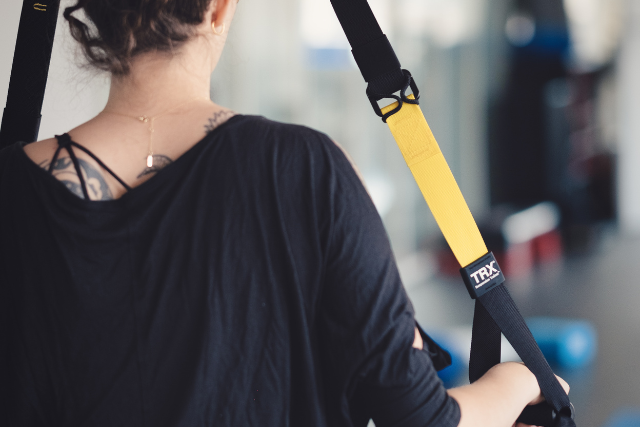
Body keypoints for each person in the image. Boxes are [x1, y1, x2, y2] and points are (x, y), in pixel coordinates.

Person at [0, 0, 568, 426]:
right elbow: (422, 419)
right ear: (219, 8)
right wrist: (520, 382)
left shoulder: (13, 190)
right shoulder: (304, 169)